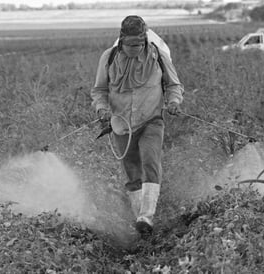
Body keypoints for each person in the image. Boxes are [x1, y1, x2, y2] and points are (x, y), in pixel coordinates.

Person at [90, 15, 184, 234]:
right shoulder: (109, 57)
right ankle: (141, 223)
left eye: (139, 44)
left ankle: (147, 216)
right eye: (130, 44)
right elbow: (99, 90)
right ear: (121, 39)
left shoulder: (158, 56)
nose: (135, 48)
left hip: (152, 119)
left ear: (145, 39)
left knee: (151, 161)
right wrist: (101, 108)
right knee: (132, 172)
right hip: (121, 124)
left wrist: (173, 102)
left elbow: (174, 85)